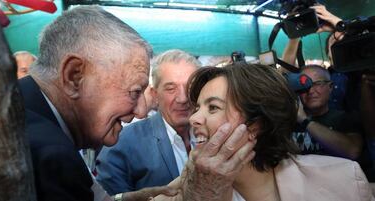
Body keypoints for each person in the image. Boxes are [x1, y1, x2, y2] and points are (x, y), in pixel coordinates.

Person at [0, 5, 258, 201]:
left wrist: (139, 195)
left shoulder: (20, 111)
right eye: (133, 92)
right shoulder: (47, 155)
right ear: (74, 75)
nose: (142, 110)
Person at [152, 63, 374, 201]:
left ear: (256, 125)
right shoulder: (183, 192)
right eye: (197, 107)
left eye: (213, 107)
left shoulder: (343, 180)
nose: (193, 118)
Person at [97, 49, 201, 195]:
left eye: (190, 87)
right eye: (171, 88)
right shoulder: (123, 144)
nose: (182, 98)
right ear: (155, 95)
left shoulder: (214, 136)